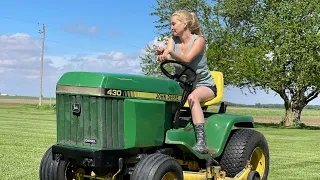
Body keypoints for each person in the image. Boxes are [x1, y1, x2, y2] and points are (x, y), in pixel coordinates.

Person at [156, 10, 216, 154]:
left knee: (193, 98)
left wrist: (169, 53)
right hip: (183, 84)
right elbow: (166, 54)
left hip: (204, 85)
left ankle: (201, 142)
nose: (171, 27)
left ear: (184, 24)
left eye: (174, 24)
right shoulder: (172, 40)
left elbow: (187, 59)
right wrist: (160, 55)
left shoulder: (199, 40)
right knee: (160, 95)